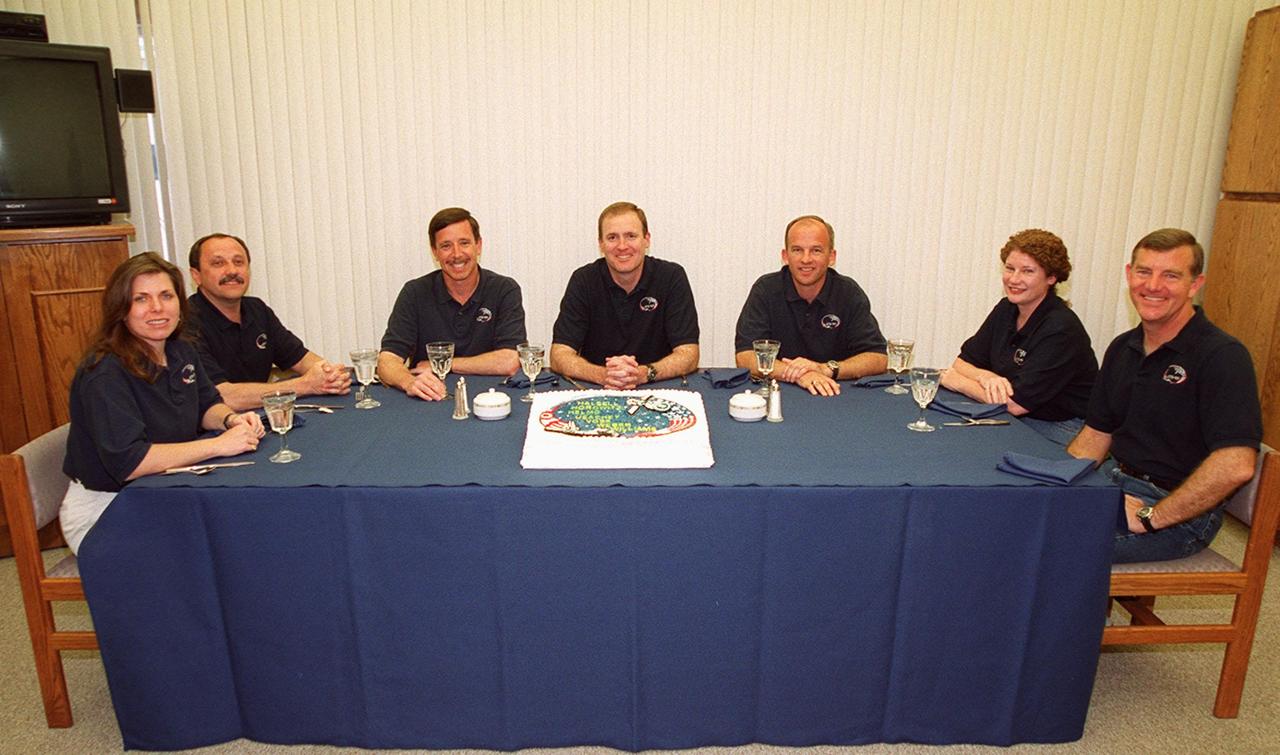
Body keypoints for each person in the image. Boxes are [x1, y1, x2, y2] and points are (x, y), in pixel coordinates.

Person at [1067, 228, 1261, 563]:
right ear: (1130, 275)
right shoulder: (1122, 347)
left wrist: (1151, 517)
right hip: (1115, 484)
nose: (1153, 286)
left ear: (1195, 284)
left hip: (1178, 513)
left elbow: (1236, 465)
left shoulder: (1222, 356)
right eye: (1144, 272)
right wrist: (1055, 487)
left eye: (1170, 275)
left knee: (1049, 550)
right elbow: (1096, 435)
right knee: (1019, 520)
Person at [61, 253, 264, 554]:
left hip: (165, 491)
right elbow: (131, 462)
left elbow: (207, 404)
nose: (157, 308)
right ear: (121, 309)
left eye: (166, 296)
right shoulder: (104, 373)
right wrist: (220, 445)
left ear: (180, 305)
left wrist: (230, 420)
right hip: (108, 508)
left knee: (247, 531)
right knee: (218, 553)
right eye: (141, 299)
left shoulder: (181, 350)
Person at [940, 229, 1097, 445]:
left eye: (1027, 271)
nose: (1014, 279)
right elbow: (962, 362)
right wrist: (985, 376)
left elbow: (1014, 404)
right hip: (1016, 416)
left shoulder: (1061, 328)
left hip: (1060, 428)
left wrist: (956, 382)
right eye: (1010, 268)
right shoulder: (1007, 308)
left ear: (1051, 278)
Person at [187, 233, 351, 410]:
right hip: (212, 430)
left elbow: (301, 358)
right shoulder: (184, 323)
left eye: (239, 262)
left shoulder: (257, 310)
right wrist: (305, 385)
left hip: (261, 418)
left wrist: (329, 374)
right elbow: (222, 396)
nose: (232, 271)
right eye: (218, 263)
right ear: (196, 275)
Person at [378, 207, 526, 400]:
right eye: (446, 246)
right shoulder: (414, 292)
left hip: (492, 399)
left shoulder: (504, 289)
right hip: (430, 401)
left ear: (478, 245)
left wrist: (440, 364)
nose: (457, 254)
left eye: (464, 243)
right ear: (434, 252)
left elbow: (510, 361)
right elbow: (387, 361)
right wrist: (410, 382)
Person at [550, 201, 700, 389]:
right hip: (597, 389)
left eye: (631, 236)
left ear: (646, 239)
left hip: (657, 387)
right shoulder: (583, 280)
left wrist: (643, 374)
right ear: (601, 244)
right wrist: (603, 375)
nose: (622, 246)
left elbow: (689, 354)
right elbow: (559, 354)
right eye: (612, 237)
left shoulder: (671, 277)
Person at [733, 215, 887, 396]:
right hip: (778, 393)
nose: (806, 259)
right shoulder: (766, 290)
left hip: (835, 394)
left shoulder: (848, 292)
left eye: (816, 250)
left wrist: (825, 369)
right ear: (785, 256)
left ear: (831, 257)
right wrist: (800, 375)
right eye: (797, 250)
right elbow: (745, 357)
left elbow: (878, 358)